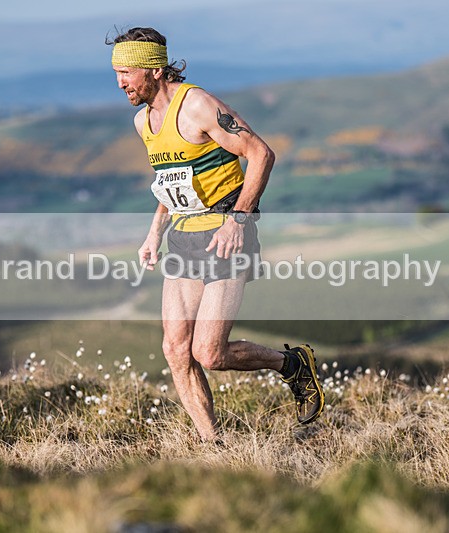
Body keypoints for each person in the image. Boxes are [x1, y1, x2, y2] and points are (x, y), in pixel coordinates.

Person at [109, 27, 324, 441]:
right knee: (175, 349)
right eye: (116, 72)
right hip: (184, 238)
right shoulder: (144, 122)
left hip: (227, 233)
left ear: (154, 69)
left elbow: (261, 153)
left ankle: (292, 364)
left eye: (126, 72)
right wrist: (153, 233)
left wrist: (239, 220)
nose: (120, 82)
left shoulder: (197, 105)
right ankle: (215, 446)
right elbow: (171, 182)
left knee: (209, 352)